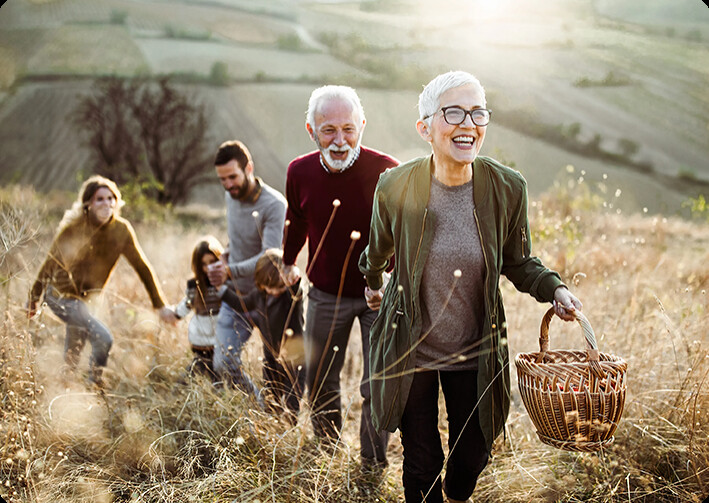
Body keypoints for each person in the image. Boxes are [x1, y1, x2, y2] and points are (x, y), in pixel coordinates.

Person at [359, 71, 583, 503]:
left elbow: (519, 262)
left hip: (475, 350)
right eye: (454, 112)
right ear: (425, 127)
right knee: (422, 462)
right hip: (412, 349)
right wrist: (373, 284)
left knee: (473, 455)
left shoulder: (507, 188)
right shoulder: (395, 186)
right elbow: (377, 250)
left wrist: (554, 289)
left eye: (477, 111)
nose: (468, 122)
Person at [282, 85, 398, 468]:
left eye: (348, 128)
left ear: (362, 126)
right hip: (325, 294)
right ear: (310, 130)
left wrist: (390, 283)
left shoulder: (387, 171)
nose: (339, 139)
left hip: (377, 295)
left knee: (377, 383)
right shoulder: (298, 172)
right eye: (328, 129)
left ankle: (372, 463)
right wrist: (287, 261)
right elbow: (296, 222)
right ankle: (327, 451)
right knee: (320, 378)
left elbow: (404, 234)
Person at [27, 175, 176, 387]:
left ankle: (66, 389)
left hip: (87, 301)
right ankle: (94, 384)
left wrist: (159, 305)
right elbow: (49, 265)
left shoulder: (121, 230)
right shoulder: (73, 230)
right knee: (103, 338)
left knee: (74, 349)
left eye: (111, 198)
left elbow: (142, 267)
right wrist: (33, 299)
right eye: (100, 199)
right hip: (61, 296)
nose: (107, 204)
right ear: (88, 204)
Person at [208, 140, 287, 397]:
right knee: (223, 364)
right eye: (222, 180)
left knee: (278, 372)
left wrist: (229, 270)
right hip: (236, 297)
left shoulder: (274, 204)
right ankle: (257, 404)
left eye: (233, 177)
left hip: (267, 299)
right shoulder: (230, 196)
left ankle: (276, 420)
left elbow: (270, 257)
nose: (228, 185)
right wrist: (225, 258)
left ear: (249, 168)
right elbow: (237, 239)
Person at [213, 248, 305, 422]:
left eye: (278, 287)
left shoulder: (290, 297)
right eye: (269, 288)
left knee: (291, 403)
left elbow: (297, 289)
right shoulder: (259, 295)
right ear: (261, 284)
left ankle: (288, 434)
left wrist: (292, 275)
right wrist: (221, 290)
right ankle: (272, 429)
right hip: (271, 358)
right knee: (271, 399)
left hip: (294, 359)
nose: (274, 292)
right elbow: (241, 304)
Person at [172, 236, 226, 381]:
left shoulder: (225, 282)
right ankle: (181, 386)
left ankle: (217, 393)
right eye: (204, 264)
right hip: (200, 336)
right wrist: (176, 314)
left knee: (218, 369)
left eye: (213, 262)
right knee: (200, 366)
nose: (209, 268)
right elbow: (187, 303)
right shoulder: (194, 285)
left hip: (219, 335)